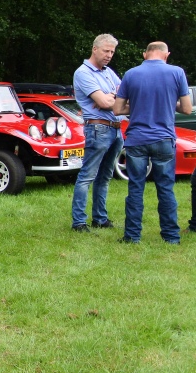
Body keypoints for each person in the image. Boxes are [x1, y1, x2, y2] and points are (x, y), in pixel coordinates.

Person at [113, 42, 192, 243]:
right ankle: (171, 237)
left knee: (135, 189)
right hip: (164, 139)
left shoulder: (131, 73)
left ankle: (131, 236)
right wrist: (166, 102)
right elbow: (186, 109)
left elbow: (117, 110)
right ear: (167, 55)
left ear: (144, 54)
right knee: (166, 188)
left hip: (137, 140)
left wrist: (140, 104)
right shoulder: (177, 72)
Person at [70, 34, 123, 233]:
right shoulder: (83, 73)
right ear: (95, 49)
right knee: (87, 176)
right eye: (106, 51)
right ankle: (79, 222)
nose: (109, 55)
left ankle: (100, 218)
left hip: (116, 129)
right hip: (98, 128)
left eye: (112, 52)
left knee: (105, 177)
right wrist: (111, 99)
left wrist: (112, 97)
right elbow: (104, 103)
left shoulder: (109, 72)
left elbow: (125, 96)